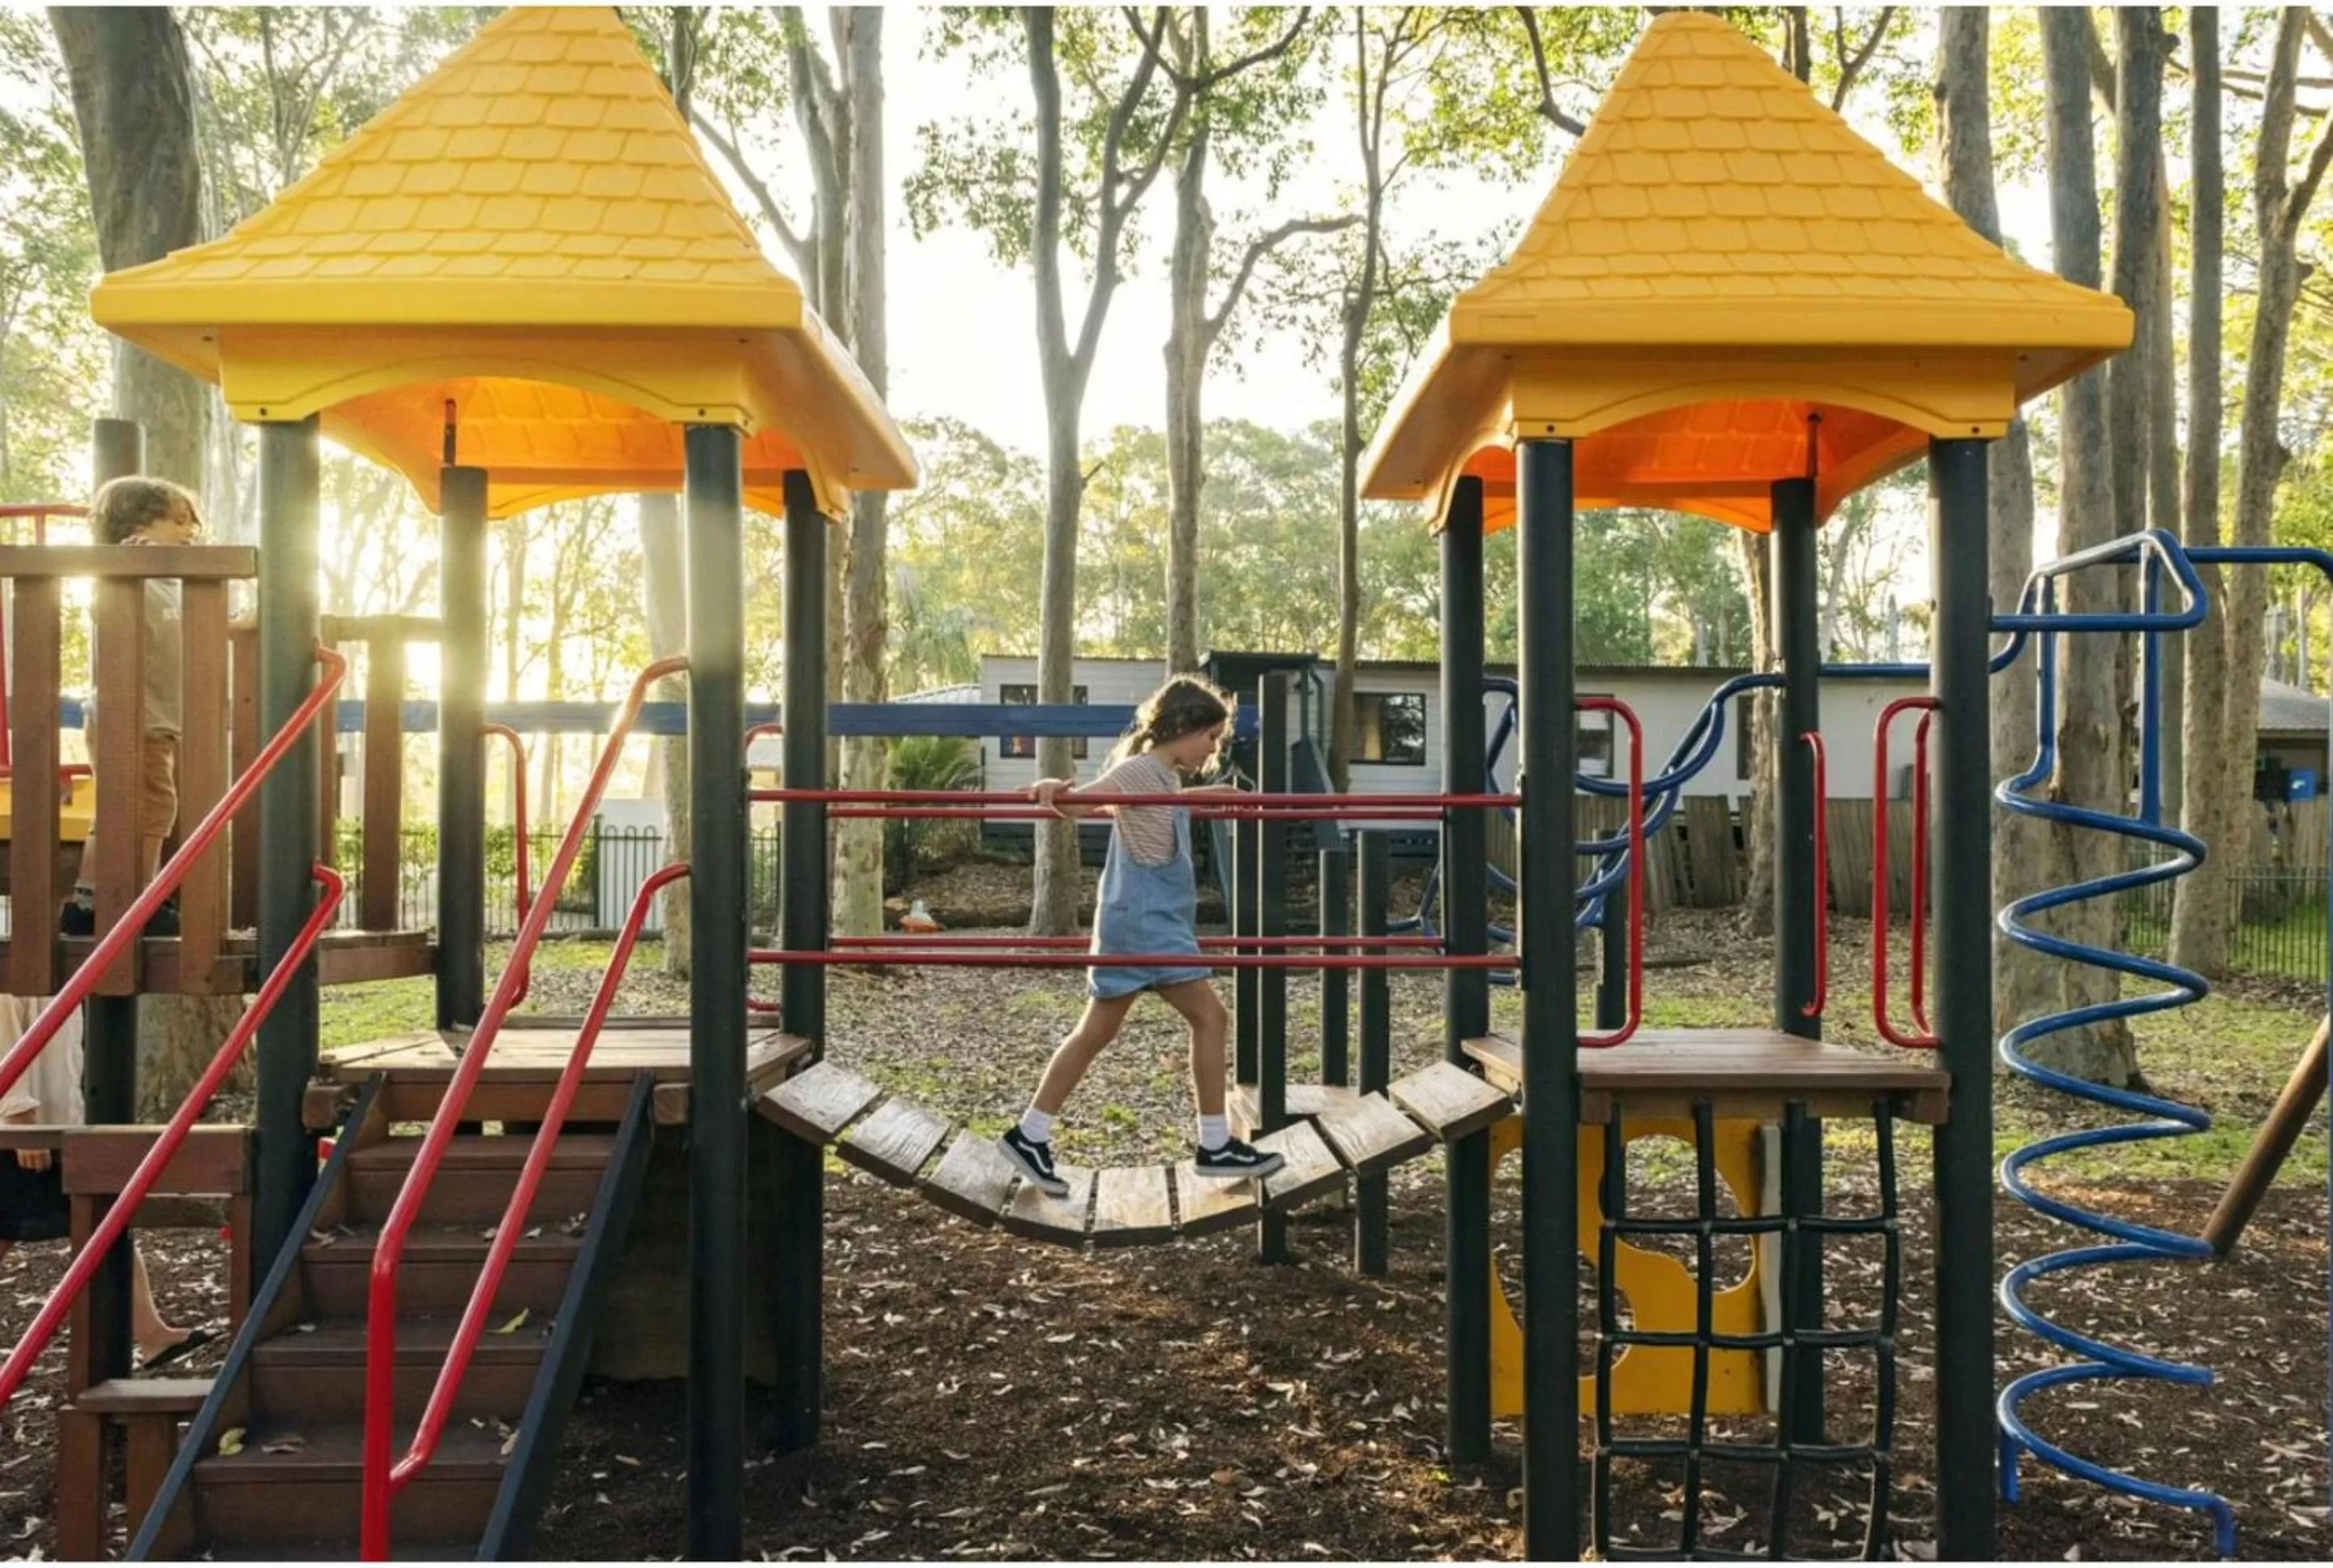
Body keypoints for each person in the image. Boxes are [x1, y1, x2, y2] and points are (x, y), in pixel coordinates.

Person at [998, 677, 1284, 1196]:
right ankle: (1215, 1144)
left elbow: (1160, 804)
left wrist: (1219, 795)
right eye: (1211, 738)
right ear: (1182, 727)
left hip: (1143, 921)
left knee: (1096, 1033)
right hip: (1146, 924)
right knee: (1212, 1017)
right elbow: (1086, 805)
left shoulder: (1163, 777)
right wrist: (1051, 791)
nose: (1214, 750)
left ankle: (1030, 1134)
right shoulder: (1137, 771)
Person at [0, 995, 207, 1368]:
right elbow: (4, 1038)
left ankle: (152, 1333)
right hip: (21, 1134)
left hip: (56, 1126)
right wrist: (19, 1120)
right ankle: (151, 1333)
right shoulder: (19, 964)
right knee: (97, 1219)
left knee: (104, 1220)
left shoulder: (58, 972)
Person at [60, 476, 199, 938]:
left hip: (155, 719)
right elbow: (103, 610)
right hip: (127, 717)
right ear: (136, 525)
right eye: (178, 521)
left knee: (130, 809)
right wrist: (127, 563)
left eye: (192, 522)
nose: (190, 530)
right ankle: (137, 901)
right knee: (149, 808)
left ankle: (93, 903)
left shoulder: (172, 584)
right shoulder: (119, 578)